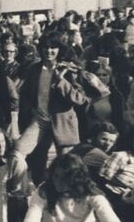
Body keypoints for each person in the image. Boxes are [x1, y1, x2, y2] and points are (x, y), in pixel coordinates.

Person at [16, 32, 88, 184]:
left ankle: (64, 198)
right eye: (45, 47)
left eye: (53, 47)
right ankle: (23, 193)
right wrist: (29, 114)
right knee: (18, 152)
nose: (49, 51)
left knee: (66, 165)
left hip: (63, 123)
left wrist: (61, 81)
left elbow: (80, 99)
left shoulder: (69, 69)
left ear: (59, 49)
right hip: (40, 120)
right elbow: (25, 95)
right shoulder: (34, 69)